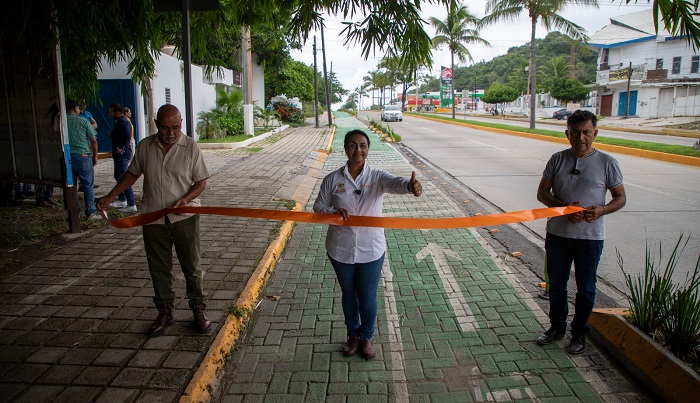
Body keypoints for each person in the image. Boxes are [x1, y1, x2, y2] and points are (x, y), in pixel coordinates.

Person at [96, 104, 211, 337]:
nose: (171, 133)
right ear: (156, 124)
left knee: (192, 266)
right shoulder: (146, 147)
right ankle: (165, 311)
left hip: (184, 217)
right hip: (153, 218)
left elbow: (201, 182)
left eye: (176, 127)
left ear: (181, 124)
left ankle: (198, 309)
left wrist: (186, 198)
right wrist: (111, 196)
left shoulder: (190, 147)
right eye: (165, 127)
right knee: (159, 268)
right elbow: (132, 174)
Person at [313, 129, 423, 359]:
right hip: (340, 248)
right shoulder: (332, 179)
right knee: (348, 294)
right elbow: (318, 207)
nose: (358, 150)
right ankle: (352, 335)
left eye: (363, 145)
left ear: (368, 149)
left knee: (368, 296)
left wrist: (410, 187)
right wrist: (334, 211)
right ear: (345, 148)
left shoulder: (377, 177)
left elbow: (396, 183)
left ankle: (367, 337)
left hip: (371, 248)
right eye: (352, 145)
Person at [535, 110, 626, 355]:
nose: (580, 137)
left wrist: (602, 210)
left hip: (590, 239)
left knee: (586, 288)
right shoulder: (557, 159)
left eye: (586, 132)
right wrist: (561, 208)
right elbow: (542, 193)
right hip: (557, 235)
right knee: (556, 284)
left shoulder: (608, 163)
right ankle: (556, 327)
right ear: (567, 134)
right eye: (575, 132)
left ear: (595, 133)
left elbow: (620, 198)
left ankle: (579, 334)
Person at [66, 99, 102, 220]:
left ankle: (74, 212)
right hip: (82, 156)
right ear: (76, 109)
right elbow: (93, 140)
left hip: (67, 157)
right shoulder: (83, 121)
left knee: (71, 185)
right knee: (87, 185)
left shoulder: (62, 122)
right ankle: (90, 212)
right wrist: (95, 156)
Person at [106, 103, 136, 213]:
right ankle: (122, 198)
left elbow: (127, 135)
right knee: (118, 176)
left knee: (124, 179)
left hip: (122, 154)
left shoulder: (122, 122)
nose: (110, 115)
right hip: (120, 153)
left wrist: (120, 147)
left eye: (111, 113)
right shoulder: (120, 122)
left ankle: (131, 203)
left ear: (117, 112)